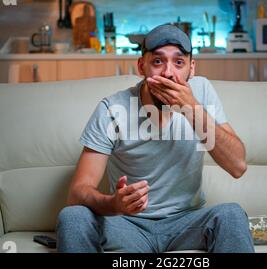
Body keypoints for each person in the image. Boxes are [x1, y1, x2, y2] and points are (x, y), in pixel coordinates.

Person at [56, 24, 254, 253]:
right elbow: (77, 192)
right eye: (158, 61)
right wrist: (114, 204)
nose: (169, 73)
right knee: (72, 216)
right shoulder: (113, 108)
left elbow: (237, 166)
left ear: (192, 68)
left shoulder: (201, 93)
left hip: (187, 223)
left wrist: (191, 108)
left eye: (179, 62)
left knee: (231, 214)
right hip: (128, 224)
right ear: (142, 66)